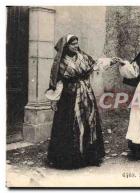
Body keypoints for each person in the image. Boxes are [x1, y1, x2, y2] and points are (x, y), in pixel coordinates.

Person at [46, 34, 107, 169]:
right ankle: (70, 159)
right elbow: (58, 82)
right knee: (69, 124)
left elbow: (95, 65)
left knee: (89, 122)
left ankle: (90, 157)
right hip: (69, 97)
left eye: (77, 43)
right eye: (73, 44)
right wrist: (54, 99)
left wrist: (111, 61)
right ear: (66, 46)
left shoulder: (83, 57)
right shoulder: (60, 62)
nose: (76, 46)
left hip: (86, 95)